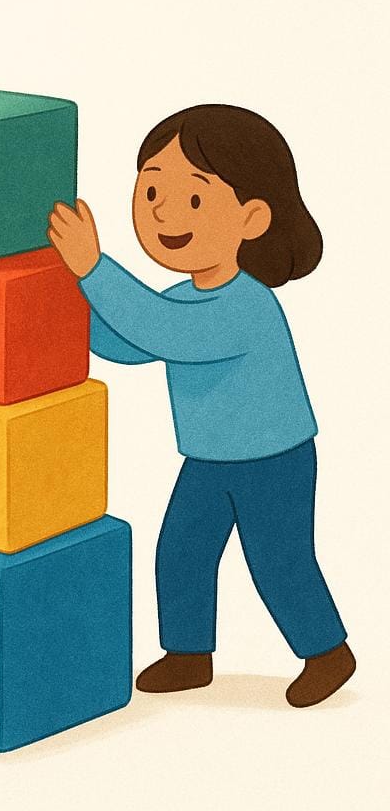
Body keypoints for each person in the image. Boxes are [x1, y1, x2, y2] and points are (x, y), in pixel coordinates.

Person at [47, 104, 354, 708]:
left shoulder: (246, 305)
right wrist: (65, 302)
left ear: (252, 218)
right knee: (181, 551)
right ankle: (189, 653)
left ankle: (328, 652)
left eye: (192, 200)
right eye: (152, 189)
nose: (162, 211)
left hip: (274, 459)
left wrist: (94, 269)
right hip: (210, 459)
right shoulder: (186, 294)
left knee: (278, 561)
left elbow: (163, 332)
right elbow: (132, 342)